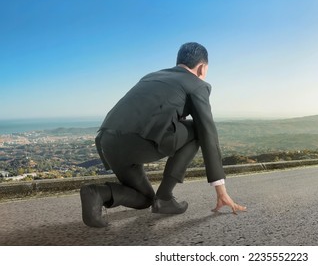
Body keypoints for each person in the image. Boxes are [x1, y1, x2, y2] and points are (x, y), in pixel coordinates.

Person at [80, 42, 246, 228]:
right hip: (139, 141)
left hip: (107, 141)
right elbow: (207, 132)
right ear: (202, 67)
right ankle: (166, 196)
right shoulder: (197, 85)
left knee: (145, 199)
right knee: (197, 129)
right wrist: (221, 191)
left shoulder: (151, 76)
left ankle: (98, 193)